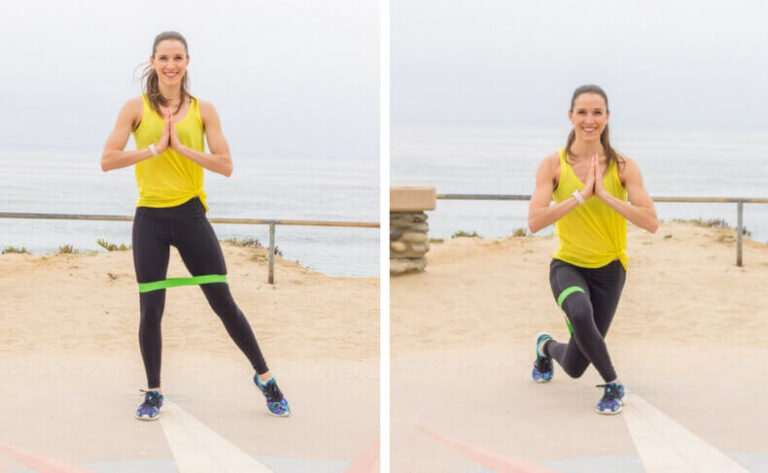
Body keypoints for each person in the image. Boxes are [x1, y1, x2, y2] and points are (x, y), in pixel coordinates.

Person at [101, 31, 289, 420]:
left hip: (190, 215)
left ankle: (266, 378)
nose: (171, 65)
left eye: (178, 58)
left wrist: (182, 148)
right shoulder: (134, 109)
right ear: (152, 62)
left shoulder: (205, 111)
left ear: (187, 62)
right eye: (164, 58)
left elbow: (225, 165)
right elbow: (108, 159)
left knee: (223, 302)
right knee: (151, 307)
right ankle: (154, 391)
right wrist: (154, 149)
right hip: (150, 218)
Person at [527, 84, 658, 414]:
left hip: (610, 271)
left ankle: (545, 346)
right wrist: (580, 196)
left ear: (607, 117)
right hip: (568, 265)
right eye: (582, 112)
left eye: (597, 112)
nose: (589, 120)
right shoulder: (552, 165)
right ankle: (613, 384)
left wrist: (605, 196)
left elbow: (651, 222)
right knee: (580, 312)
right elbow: (535, 221)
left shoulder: (624, 167)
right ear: (570, 116)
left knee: (575, 365)